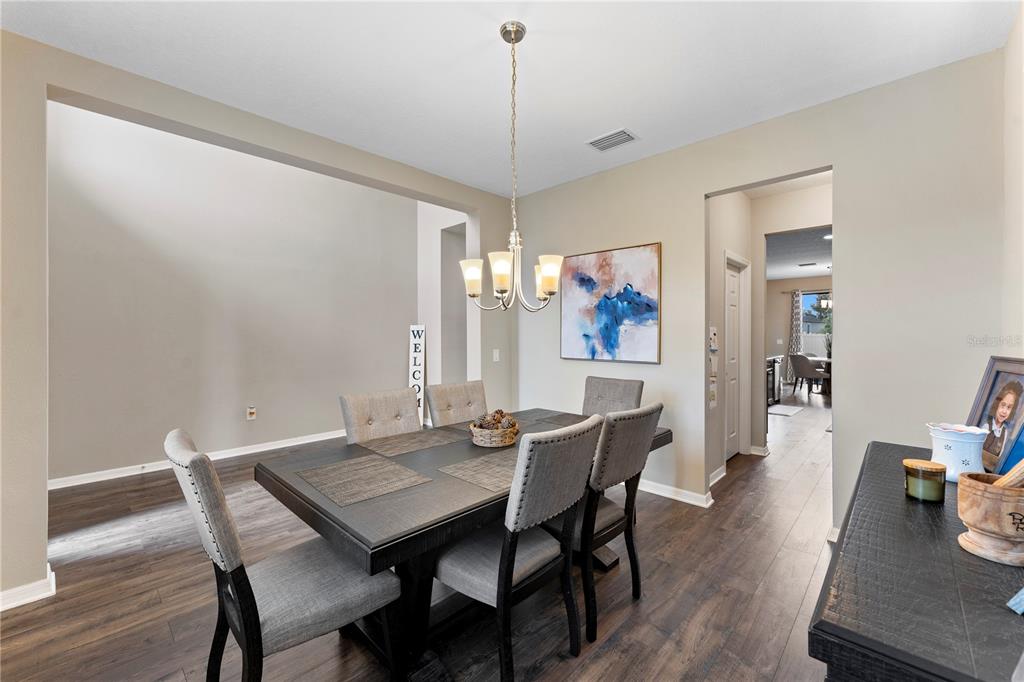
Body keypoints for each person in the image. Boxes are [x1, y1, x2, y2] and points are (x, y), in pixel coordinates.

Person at [982, 380, 1023, 472]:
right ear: (997, 405)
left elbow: (999, 458)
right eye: (1003, 405)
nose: (1004, 411)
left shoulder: (1004, 432)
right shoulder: (986, 426)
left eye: (1009, 407)